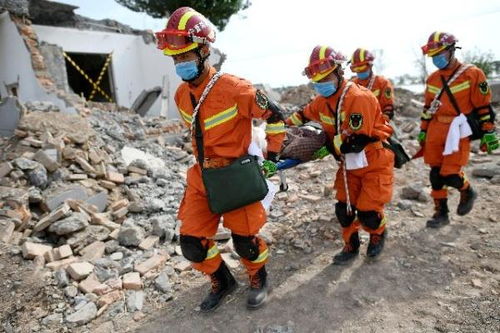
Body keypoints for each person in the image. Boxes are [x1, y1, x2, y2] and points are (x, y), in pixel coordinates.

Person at [155, 7, 286, 311]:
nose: (180, 63)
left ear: (204, 50)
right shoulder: (180, 96)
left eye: (185, 56)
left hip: (236, 176)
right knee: (191, 243)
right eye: (175, 58)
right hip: (203, 177)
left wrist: (274, 155)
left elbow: (276, 116)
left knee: (244, 241)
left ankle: (258, 278)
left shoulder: (235, 89)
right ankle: (223, 280)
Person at [286, 46, 394, 264]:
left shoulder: (358, 97)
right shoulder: (321, 101)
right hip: (348, 165)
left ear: (338, 72)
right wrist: (282, 126)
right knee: (343, 210)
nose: (321, 83)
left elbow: (355, 141)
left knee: (368, 214)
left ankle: (378, 232)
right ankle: (351, 245)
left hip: (373, 160)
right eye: (317, 79)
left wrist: (326, 147)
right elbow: (302, 115)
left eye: (325, 77)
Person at [418, 31, 498, 228]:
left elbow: (483, 106)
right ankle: (441, 213)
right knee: (435, 174)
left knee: (450, 174)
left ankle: (467, 190)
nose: (436, 59)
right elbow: (428, 108)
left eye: (440, 54)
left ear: (452, 50)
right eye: (433, 55)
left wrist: (489, 131)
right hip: (436, 128)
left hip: (458, 129)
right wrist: (423, 129)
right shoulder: (432, 79)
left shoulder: (472, 73)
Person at [350, 48, 395, 121]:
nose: (359, 71)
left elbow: (388, 108)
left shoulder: (383, 83)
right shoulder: (352, 85)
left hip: (379, 123)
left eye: (361, 67)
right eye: (356, 68)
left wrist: (381, 124)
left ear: (370, 65)